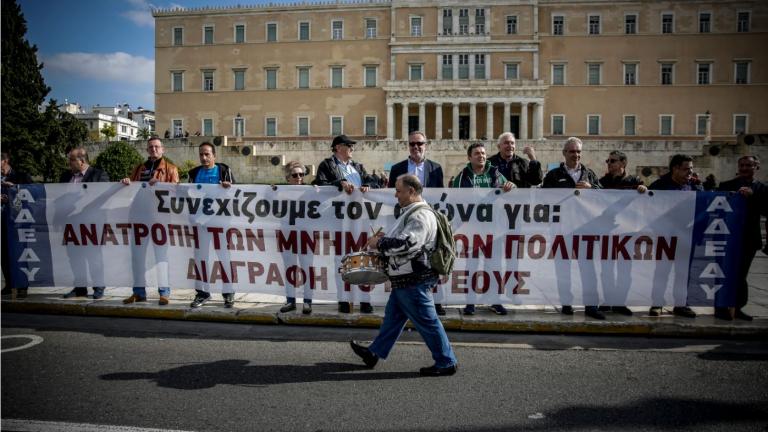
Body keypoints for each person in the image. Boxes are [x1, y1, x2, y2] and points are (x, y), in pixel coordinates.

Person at [350, 174, 458, 376]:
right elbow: (403, 239)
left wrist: (379, 243)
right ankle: (374, 353)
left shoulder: (420, 216)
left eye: (399, 190)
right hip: (406, 280)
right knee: (392, 319)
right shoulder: (411, 212)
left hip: (413, 281)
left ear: (411, 191)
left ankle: (446, 362)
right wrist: (385, 238)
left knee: (428, 322)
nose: (395, 194)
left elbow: (408, 244)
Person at [313, 134, 379, 313]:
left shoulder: (357, 166)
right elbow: (319, 185)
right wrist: (339, 183)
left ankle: (365, 299)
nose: (352, 149)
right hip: (340, 220)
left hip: (361, 219)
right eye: (349, 145)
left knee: (365, 258)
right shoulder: (327, 165)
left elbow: (373, 181)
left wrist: (367, 185)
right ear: (337, 147)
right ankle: (344, 298)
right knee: (342, 260)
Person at [542, 137, 604, 319]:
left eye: (578, 152)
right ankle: (566, 304)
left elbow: (604, 196)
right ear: (564, 153)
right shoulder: (553, 176)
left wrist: (591, 188)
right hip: (561, 229)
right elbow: (544, 200)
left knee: (588, 269)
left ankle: (591, 306)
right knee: (563, 269)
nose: (575, 155)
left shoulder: (589, 174)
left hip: (585, 229)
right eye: (571, 151)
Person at [388, 131, 447, 315]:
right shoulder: (397, 169)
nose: (416, 147)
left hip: (426, 221)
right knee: (407, 260)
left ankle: (435, 302)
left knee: (430, 262)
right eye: (412, 144)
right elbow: (392, 195)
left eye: (419, 143)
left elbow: (441, 196)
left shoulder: (436, 168)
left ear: (425, 145)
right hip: (405, 220)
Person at [452, 142, 515, 316]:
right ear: (469, 157)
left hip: (493, 229)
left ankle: (495, 301)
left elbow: (512, 190)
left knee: (494, 267)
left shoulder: (495, 173)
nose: (481, 156)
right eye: (477, 153)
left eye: (483, 153)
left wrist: (511, 187)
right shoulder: (462, 176)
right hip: (471, 230)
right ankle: (470, 303)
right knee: (471, 267)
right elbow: (454, 200)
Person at [120, 136, 180, 305]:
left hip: (160, 220)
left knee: (161, 257)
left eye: (157, 147)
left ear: (163, 150)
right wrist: (127, 182)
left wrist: (160, 184)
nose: (154, 149)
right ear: (147, 150)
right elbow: (131, 189)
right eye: (151, 147)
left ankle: (164, 292)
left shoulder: (171, 169)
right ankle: (138, 292)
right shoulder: (138, 168)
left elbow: (175, 193)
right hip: (139, 219)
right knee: (137, 257)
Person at [647, 154, 702, 318]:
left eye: (691, 169)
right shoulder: (659, 185)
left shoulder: (695, 187)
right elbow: (648, 208)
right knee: (661, 271)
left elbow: (703, 206)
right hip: (665, 236)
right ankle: (657, 303)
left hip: (686, 237)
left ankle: (681, 304)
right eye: (686, 169)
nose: (690, 172)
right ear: (675, 169)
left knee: (683, 272)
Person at [716, 156, 767, 321]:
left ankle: (737, 307)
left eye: (748, 165)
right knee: (724, 273)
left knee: (741, 275)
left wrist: (753, 197)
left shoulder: (762, 189)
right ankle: (721, 307)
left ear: (756, 167)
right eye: (742, 165)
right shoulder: (726, 186)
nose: (744, 168)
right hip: (727, 237)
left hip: (749, 239)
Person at [597, 150, 647, 316]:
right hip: (607, 230)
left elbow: (648, 196)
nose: (609, 164)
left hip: (627, 232)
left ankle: (620, 302)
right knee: (606, 269)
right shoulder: (603, 181)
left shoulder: (634, 181)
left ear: (623, 163)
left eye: (613, 161)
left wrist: (643, 188)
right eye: (608, 160)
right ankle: (608, 299)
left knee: (625, 269)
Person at [187, 142, 237, 308]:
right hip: (200, 224)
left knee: (224, 257)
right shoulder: (193, 173)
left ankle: (228, 292)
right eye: (201, 154)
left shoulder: (224, 171)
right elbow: (186, 196)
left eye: (207, 154)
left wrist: (228, 188)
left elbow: (237, 194)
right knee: (201, 259)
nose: (204, 157)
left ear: (214, 156)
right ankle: (202, 293)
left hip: (220, 224)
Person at [59, 146, 110, 299]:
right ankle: (80, 288)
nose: (68, 163)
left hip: (92, 224)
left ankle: (98, 287)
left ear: (81, 161)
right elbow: (59, 197)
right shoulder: (65, 177)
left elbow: (103, 198)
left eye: (71, 160)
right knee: (75, 257)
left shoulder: (99, 175)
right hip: (70, 224)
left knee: (93, 256)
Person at [279, 160, 313, 314]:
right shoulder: (279, 192)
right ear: (288, 178)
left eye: (301, 174)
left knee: (307, 268)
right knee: (289, 269)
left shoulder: (310, 191)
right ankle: (290, 300)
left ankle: (307, 301)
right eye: (295, 175)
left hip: (306, 234)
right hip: (287, 234)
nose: (299, 177)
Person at [1, 153, 33, 298]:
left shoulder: (20, 176)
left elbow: (32, 194)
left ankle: (22, 286)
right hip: (2, 221)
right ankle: (9, 284)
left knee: (20, 254)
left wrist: (14, 190)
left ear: (5, 161)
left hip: (17, 222)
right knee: (4, 255)